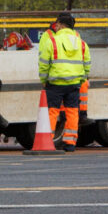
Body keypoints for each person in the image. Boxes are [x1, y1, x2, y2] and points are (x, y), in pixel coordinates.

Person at [37, 12, 90, 152]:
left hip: (55, 83)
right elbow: (87, 63)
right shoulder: (80, 42)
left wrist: (43, 80)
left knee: (52, 112)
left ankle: (47, 141)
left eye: (57, 24)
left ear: (60, 24)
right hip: (74, 83)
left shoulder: (52, 41)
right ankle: (70, 143)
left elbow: (43, 64)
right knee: (72, 112)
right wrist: (82, 79)